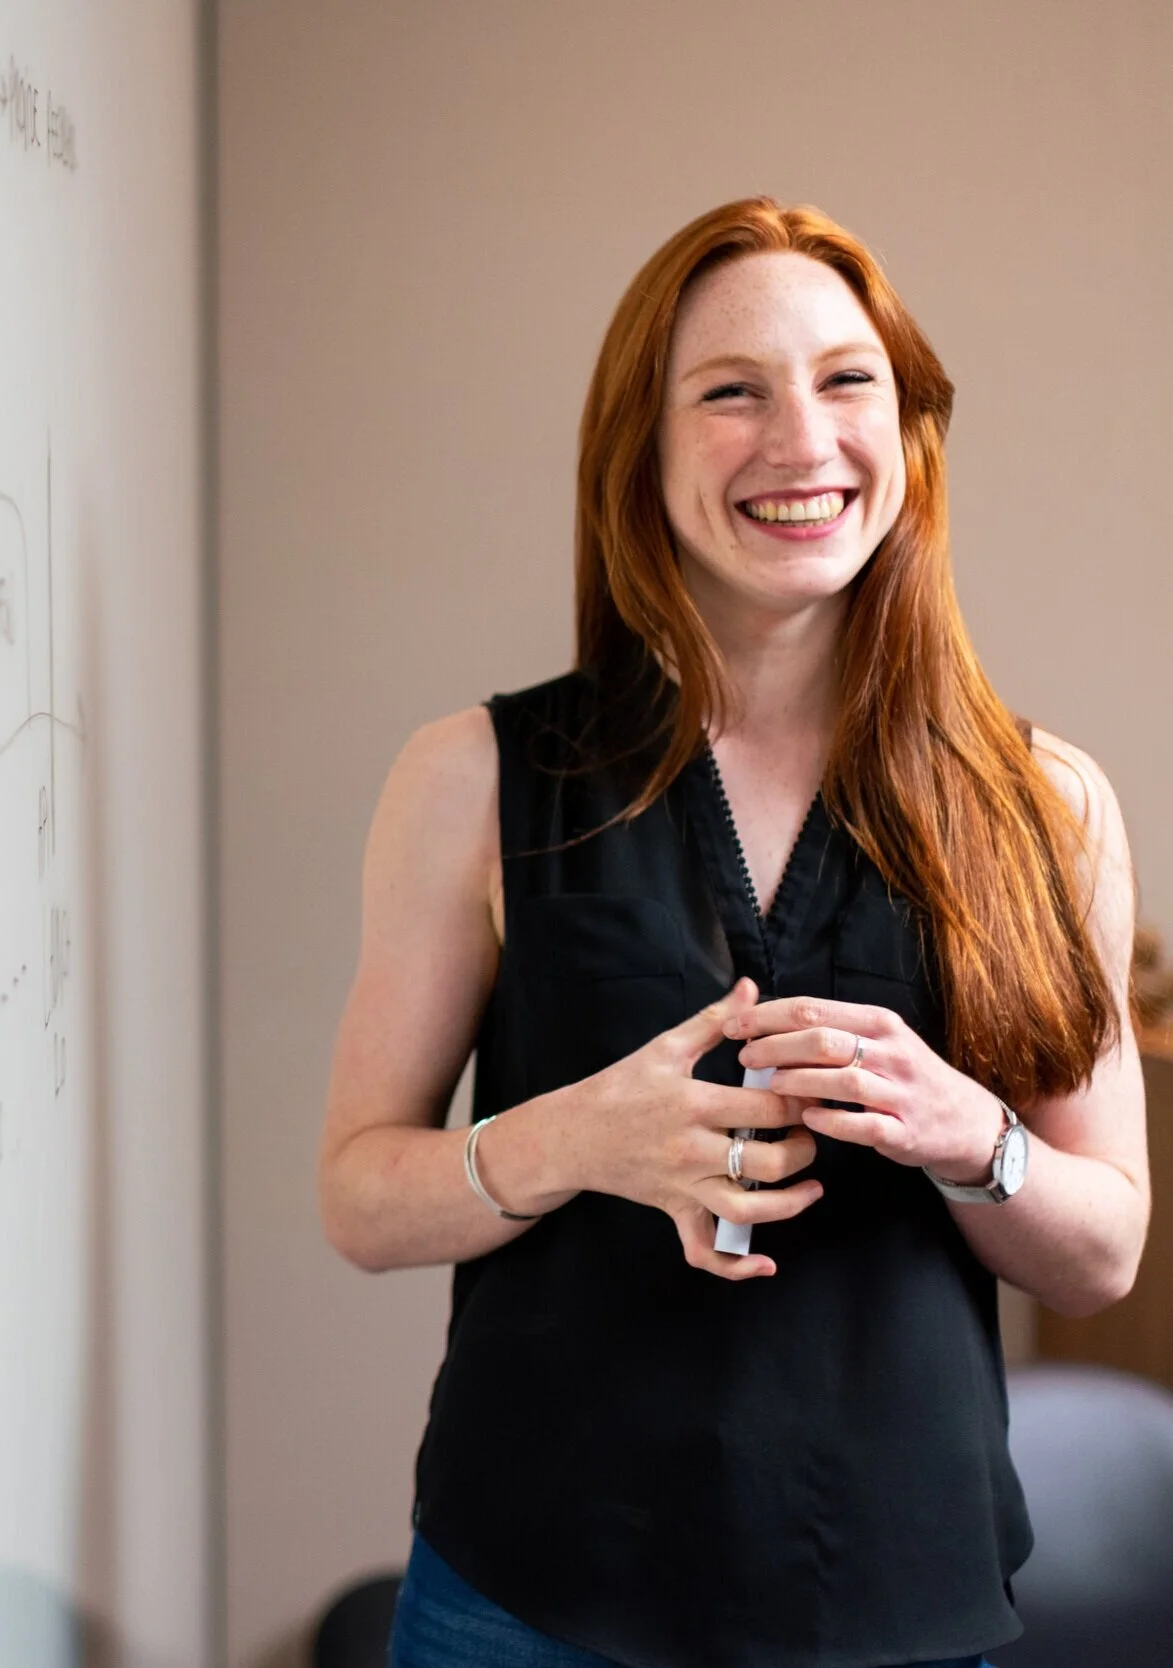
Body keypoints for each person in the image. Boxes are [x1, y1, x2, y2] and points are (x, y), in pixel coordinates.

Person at [319, 198, 1150, 1668]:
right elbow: (361, 1197)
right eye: (731, 392)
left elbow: (1104, 1252)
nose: (800, 440)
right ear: (640, 448)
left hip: (899, 1605)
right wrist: (575, 1140)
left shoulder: (1051, 804)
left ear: (910, 432)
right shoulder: (473, 778)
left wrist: (971, 1135)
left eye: (846, 382)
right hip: (529, 1603)